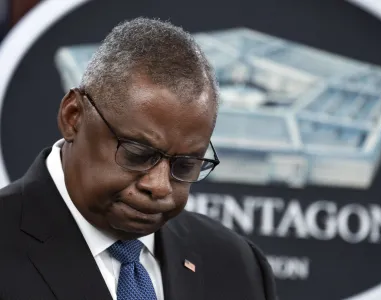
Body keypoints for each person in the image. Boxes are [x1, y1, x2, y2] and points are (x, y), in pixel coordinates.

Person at [0, 17, 277, 300]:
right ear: (74, 117)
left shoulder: (237, 265)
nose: (160, 187)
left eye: (184, 165)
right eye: (137, 154)